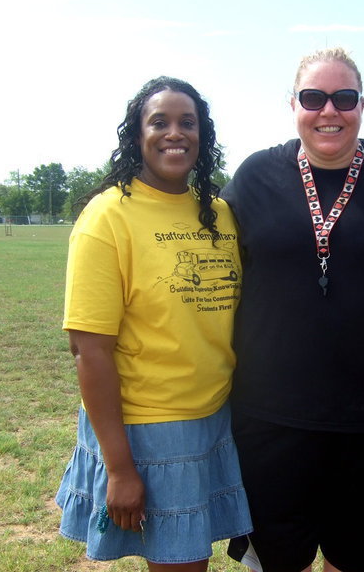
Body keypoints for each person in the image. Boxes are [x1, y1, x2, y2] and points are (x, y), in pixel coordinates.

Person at [222, 48, 364, 572]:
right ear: (292, 103)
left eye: (344, 98)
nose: (329, 112)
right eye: (314, 98)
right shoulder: (254, 178)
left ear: (362, 104)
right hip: (270, 422)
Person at [55, 76, 252, 571]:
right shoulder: (107, 218)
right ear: (136, 134)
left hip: (214, 417)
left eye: (188, 123)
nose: (174, 133)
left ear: (202, 136)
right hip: (148, 428)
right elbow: (89, 349)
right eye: (158, 122)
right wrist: (120, 468)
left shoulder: (221, 214)